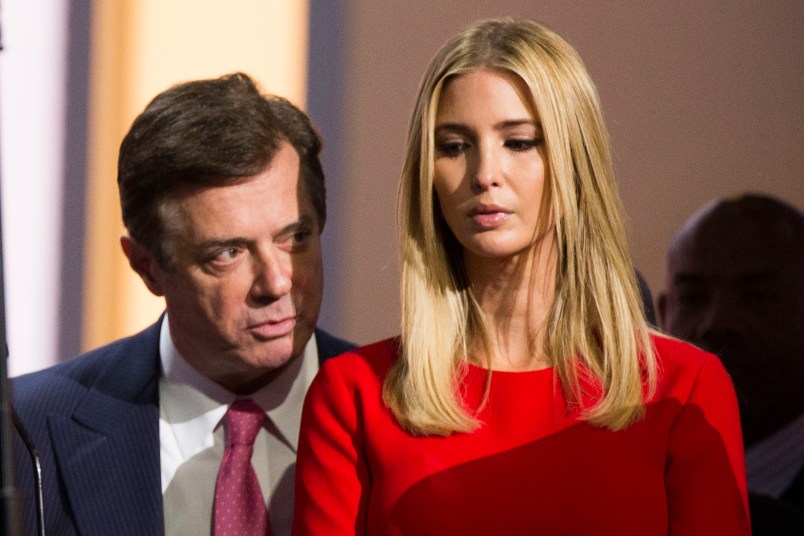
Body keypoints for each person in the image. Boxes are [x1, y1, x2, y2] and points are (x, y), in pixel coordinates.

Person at [293, 18, 750, 535]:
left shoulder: (684, 387)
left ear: (575, 163)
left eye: (519, 142)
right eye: (453, 146)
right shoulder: (355, 395)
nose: (485, 173)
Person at [11, 73, 354, 536]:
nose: (277, 282)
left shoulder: (410, 412)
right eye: (228, 253)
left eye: (295, 238)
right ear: (148, 267)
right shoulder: (23, 430)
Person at [658, 193, 804, 534]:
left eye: (757, 297)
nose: (717, 322)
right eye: (693, 298)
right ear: (663, 318)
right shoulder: (623, 492)